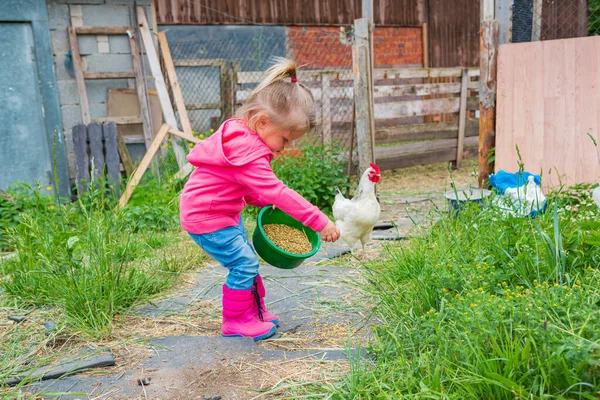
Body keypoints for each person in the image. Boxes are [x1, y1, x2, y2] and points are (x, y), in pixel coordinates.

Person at [180, 57, 341, 341]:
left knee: (247, 260)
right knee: (243, 264)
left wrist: (257, 198)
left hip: (222, 212)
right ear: (264, 122)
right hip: (207, 217)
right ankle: (236, 321)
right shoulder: (250, 150)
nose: (286, 147)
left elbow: (237, 181)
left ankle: (254, 312)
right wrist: (319, 221)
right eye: (286, 139)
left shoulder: (243, 135)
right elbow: (276, 191)